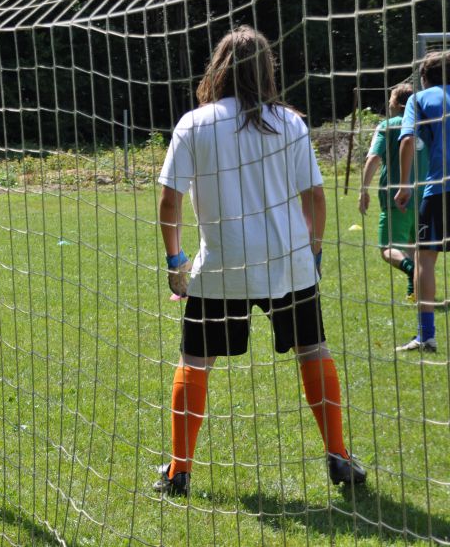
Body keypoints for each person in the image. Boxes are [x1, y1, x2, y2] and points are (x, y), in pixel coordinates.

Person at [154, 26, 366, 496]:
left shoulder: (195, 123)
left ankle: (178, 471)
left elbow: (170, 201)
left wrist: (176, 260)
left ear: (218, 67)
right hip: (288, 261)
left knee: (196, 360)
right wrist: (312, 251)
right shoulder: (291, 123)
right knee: (313, 349)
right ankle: (338, 456)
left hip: (222, 264)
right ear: (267, 70)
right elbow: (315, 195)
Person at [395, 50, 450, 352]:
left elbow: (406, 139)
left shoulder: (420, 99)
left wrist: (404, 184)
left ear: (424, 78)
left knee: (424, 258)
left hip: (440, 187)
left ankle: (426, 335)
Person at [358, 83, 426, 301]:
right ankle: (415, 292)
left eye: (390, 100)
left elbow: (374, 158)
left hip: (397, 198)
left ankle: (410, 272)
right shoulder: (426, 124)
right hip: (425, 198)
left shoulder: (388, 125)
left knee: (387, 249)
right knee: (413, 247)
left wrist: (364, 189)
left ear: (395, 103)